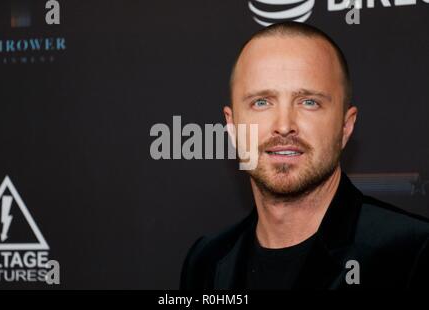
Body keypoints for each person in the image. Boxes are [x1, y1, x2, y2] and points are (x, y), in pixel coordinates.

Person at [180, 22, 429, 289]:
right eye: (261, 102)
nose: (284, 125)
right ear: (231, 127)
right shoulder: (206, 261)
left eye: (309, 102)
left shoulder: (412, 254)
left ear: (346, 127)